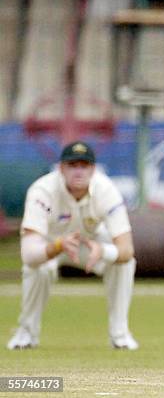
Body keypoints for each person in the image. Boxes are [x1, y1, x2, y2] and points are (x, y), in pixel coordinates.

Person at [7, 141, 139, 350]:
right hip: (52, 245)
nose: (78, 171)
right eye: (72, 165)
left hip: (89, 245)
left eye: (84, 165)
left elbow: (127, 249)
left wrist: (103, 250)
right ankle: (27, 333)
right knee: (37, 269)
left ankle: (120, 335)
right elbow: (29, 255)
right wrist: (58, 245)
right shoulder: (42, 190)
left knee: (124, 263)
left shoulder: (107, 191)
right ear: (61, 168)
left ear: (93, 169)